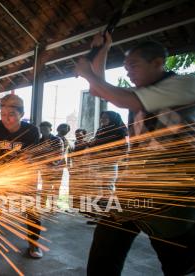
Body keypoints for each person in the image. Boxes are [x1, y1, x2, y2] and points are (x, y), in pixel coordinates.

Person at [75, 32, 195, 275]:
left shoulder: (184, 85)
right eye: (126, 66)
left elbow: (116, 96)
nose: (128, 71)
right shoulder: (138, 93)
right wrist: (103, 49)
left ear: (158, 63)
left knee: (178, 264)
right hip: (133, 189)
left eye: (134, 65)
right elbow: (101, 89)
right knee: (103, 254)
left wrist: (87, 71)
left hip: (171, 195)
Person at [0, 94, 42, 261]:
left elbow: (27, 157)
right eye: (3, 114)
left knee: (31, 210)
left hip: (24, 175)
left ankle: (33, 242)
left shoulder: (31, 131)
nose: (7, 119)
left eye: (11, 115)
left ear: (21, 113)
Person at [38, 121, 64, 211]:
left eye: (45, 129)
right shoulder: (39, 141)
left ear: (50, 129)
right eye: (41, 129)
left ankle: (53, 206)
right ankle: (42, 205)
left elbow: (59, 154)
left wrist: (52, 163)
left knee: (55, 187)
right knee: (45, 186)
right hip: (45, 167)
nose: (43, 131)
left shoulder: (57, 140)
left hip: (57, 168)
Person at [68, 128, 89, 211]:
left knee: (82, 187)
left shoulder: (87, 144)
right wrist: (69, 167)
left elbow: (88, 156)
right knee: (72, 187)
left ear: (84, 135)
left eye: (79, 135)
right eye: (76, 135)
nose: (77, 136)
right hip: (74, 168)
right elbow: (69, 156)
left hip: (84, 169)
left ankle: (82, 207)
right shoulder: (73, 144)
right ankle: (72, 206)